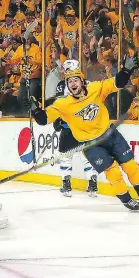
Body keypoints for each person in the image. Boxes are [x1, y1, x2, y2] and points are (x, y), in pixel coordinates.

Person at [30, 56, 139, 212]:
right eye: (69, 82)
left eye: (75, 80)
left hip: (110, 134)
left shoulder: (95, 88)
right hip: (90, 145)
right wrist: (35, 110)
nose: (73, 84)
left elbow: (117, 84)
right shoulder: (63, 104)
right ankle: (127, 200)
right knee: (113, 171)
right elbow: (44, 119)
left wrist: (126, 70)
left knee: (130, 165)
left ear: (82, 81)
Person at [48, 60, 98, 197]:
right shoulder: (86, 84)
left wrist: (57, 120)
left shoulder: (63, 85)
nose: (64, 71)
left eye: (66, 68)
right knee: (86, 156)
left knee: (66, 156)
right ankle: (92, 182)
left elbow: (58, 105)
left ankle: (66, 183)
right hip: (83, 127)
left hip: (70, 127)